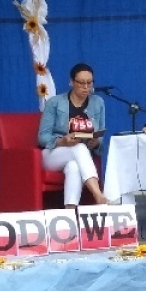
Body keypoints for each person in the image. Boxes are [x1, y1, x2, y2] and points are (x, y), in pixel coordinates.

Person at [38, 62, 108, 206]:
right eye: (81, 83)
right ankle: (98, 194)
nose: (86, 87)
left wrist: (96, 143)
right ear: (71, 82)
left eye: (89, 83)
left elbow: (100, 134)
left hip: (79, 156)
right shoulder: (54, 103)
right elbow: (42, 137)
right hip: (52, 154)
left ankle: (70, 209)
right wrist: (62, 141)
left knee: (74, 167)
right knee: (79, 148)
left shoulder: (98, 103)